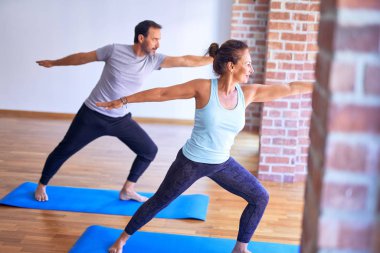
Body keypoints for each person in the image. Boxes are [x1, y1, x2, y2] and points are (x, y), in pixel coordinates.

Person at [96, 39, 313, 253]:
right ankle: (122, 240)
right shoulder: (203, 88)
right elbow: (162, 93)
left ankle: (241, 248)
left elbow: (289, 88)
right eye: (247, 63)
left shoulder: (247, 93)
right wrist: (123, 101)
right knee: (159, 201)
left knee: (260, 197)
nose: (251, 69)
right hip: (191, 162)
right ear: (231, 66)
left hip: (222, 163)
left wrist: (322, 84)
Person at [34, 20, 213, 202]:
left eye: (159, 40)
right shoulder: (114, 50)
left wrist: (215, 59)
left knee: (148, 150)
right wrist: (54, 63)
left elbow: (186, 60)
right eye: (154, 39)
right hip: (92, 115)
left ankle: (128, 189)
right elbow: (82, 57)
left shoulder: (154, 60)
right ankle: (41, 185)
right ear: (141, 38)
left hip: (120, 119)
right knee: (64, 150)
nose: (158, 44)